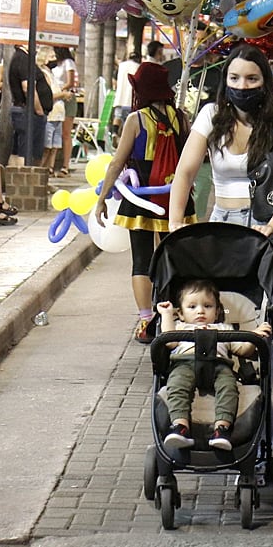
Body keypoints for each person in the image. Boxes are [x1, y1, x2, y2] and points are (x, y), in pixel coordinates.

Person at [167, 43, 273, 361]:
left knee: (264, 332)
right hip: (224, 229)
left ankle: (263, 412)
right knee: (221, 324)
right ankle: (226, 406)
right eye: (234, 78)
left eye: (251, 79)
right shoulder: (211, 114)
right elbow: (185, 171)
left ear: (265, 81)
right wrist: (175, 222)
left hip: (272, 231)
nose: (242, 86)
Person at [95, 62, 197, 342]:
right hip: (175, 197)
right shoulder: (182, 118)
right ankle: (171, 315)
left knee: (141, 260)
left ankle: (146, 321)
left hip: (141, 197)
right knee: (171, 258)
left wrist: (102, 199)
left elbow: (117, 161)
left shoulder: (136, 119)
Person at [157, 279, 273, 452]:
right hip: (185, 364)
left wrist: (255, 336)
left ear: (218, 310)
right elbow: (168, 341)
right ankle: (180, 426)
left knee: (228, 388)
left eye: (208, 306)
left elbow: (243, 350)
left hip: (220, 366)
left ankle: (222, 429)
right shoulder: (180, 327)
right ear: (180, 313)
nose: (200, 311)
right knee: (177, 386)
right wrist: (166, 314)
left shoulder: (224, 328)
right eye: (192, 307)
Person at [7, 45, 52, 165]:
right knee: (26, 151)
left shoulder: (20, 58)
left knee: (19, 149)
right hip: (29, 112)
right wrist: (39, 110)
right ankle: (23, 181)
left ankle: (15, 178)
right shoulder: (23, 59)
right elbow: (28, 88)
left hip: (24, 111)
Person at [39, 59, 73, 175]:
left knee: (55, 146)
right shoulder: (44, 74)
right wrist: (63, 94)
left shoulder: (51, 73)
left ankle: (50, 169)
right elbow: (48, 95)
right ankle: (40, 169)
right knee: (47, 147)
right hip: (51, 115)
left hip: (59, 115)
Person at [52, 46, 78, 174]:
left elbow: (71, 82)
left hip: (66, 98)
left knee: (66, 133)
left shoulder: (68, 62)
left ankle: (66, 165)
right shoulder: (55, 64)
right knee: (55, 131)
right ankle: (53, 164)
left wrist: (59, 90)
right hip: (57, 98)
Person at [112, 51, 141, 142]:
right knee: (129, 123)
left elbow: (114, 81)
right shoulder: (138, 67)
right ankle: (125, 140)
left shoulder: (121, 66)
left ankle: (114, 133)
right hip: (130, 100)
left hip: (120, 98)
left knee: (118, 116)